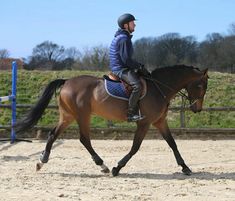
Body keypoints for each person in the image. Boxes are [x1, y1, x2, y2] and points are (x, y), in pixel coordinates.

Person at [109, 13, 148, 122]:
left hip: (121, 67)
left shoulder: (123, 37)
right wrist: (139, 66)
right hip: (120, 69)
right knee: (137, 86)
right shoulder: (123, 39)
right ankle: (130, 113)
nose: (134, 25)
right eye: (132, 23)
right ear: (126, 25)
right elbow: (126, 60)